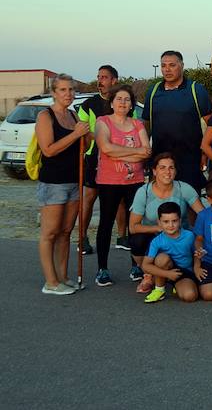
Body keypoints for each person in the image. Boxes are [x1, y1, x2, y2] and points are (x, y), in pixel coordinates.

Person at [35, 73, 90, 295]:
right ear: (54, 93)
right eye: (63, 90)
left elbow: (83, 147)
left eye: (71, 90)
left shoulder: (74, 115)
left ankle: (63, 276)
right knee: (50, 232)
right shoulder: (45, 116)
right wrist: (75, 134)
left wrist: (86, 135)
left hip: (74, 180)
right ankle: (50, 281)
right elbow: (48, 150)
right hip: (53, 182)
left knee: (66, 231)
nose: (68, 94)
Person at [93, 84, 151, 286]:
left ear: (132, 104)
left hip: (134, 181)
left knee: (133, 224)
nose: (123, 103)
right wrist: (134, 153)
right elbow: (105, 147)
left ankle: (136, 264)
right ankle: (102, 268)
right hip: (109, 181)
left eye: (127, 99)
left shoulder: (137, 124)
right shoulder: (103, 122)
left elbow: (146, 151)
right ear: (112, 102)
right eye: (119, 99)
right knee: (106, 224)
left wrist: (120, 152)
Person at [129, 153, 205, 293]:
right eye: (162, 167)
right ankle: (148, 275)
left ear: (175, 171)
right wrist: (157, 228)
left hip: (180, 235)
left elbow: (203, 214)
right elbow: (133, 226)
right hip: (155, 235)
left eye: (171, 168)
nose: (167, 172)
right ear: (154, 171)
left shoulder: (184, 188)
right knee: (136, 240)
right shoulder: (143, 192)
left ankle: (178, 274)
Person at [142, 50, 212, 193]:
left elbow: (211, 123)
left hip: (190, 159)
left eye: (172, 65)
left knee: (191, 201)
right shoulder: (153, 91)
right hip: (161, 159)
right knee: (161, 202)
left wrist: (205, 153)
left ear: (182, 65)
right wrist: (146, 156)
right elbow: (146, 125)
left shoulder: (196, 90)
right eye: (163, 65)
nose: (167, 69)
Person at [76, 64, 126, 255]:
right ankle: (82, 238)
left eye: (104, 77)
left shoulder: (124, 102)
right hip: (94, 159)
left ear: (114, 80)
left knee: (120, 199)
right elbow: (81, 131)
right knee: (89, 198)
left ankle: (122, 236)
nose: (100, 81)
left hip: (119, 159)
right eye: (98, 77)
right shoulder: (89, 105)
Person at [140, 202, 200, 303]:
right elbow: (145, 265)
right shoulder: (156, 241)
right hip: (167, 268)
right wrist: (167, 274)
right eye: (166, 221)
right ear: (159, 222)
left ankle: (176, 285)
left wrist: (196, 267)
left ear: (180, 221)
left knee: (190, 296)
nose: (171, 225)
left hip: (185, 271)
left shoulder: (190, 236)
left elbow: (197, 254)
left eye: (174, 221)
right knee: (161, 258)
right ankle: (159, 289)